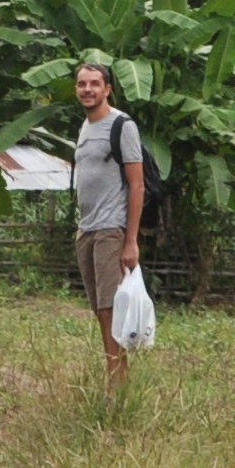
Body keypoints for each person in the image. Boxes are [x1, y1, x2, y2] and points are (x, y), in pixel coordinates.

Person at [67, 57, 148, 387]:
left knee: (111, 310)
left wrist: (130, 241)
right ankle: (114, 378)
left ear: (108, 89)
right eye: (82, 84)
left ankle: (118, 385)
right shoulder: (86, 127)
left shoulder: (122, 125)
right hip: (87, 229)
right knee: (101, 311)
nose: (88, 90)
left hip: (111, 229)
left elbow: (137, 184)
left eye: (94, 84)